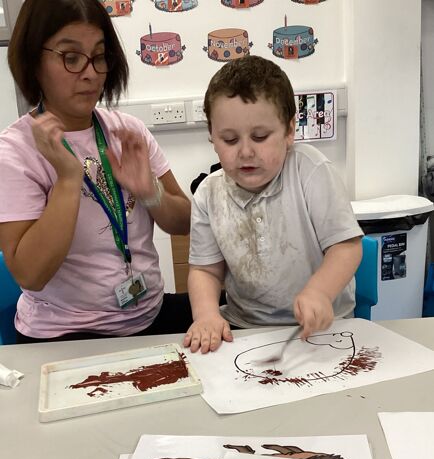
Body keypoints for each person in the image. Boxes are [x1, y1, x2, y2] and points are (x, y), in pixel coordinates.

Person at [0, 0, 192, 343]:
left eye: (99, 56)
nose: (90, 73)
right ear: (33, 61)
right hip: (66, 334)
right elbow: (31, 275)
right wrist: (67, 179)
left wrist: (151, 192)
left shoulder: (127, 130)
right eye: (71, 58)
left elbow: (184, 222)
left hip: (148, 314)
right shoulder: (14, 151)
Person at [183, 55, 363, 354]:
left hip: (324, 326)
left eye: (260, 136)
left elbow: (346, 247)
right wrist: (206, 316)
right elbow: (205, 271)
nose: (245, 151)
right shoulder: (208, 194)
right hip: (244, 328)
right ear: (212, 137)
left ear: (289, 131)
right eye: (229, 140)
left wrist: (320, 292)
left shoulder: (311, 171)